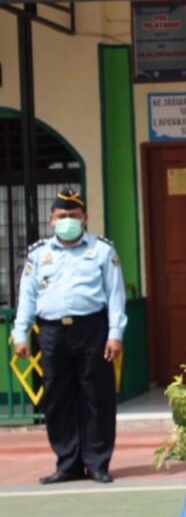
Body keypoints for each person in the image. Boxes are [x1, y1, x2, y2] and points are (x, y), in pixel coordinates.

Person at [13, 188, 126, 485]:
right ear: (52, 219)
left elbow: (115, 295)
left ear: (84, 218)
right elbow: (27, 295)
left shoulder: (102, 250)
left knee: (96, 397)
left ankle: (97, 462)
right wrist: (20, 332)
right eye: (62, 216)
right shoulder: (38, 253)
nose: (67, 221)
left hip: (92, 329)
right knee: (57, 398)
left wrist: (115, 334)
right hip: (51, 332)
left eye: (73, 216)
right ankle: (68, 463)